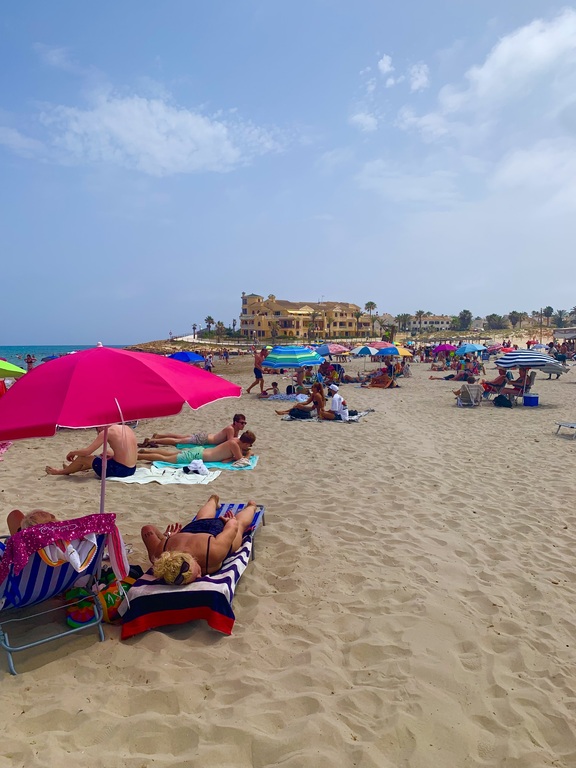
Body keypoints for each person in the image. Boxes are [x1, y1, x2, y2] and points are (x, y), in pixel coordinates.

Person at [141, 494, 258, 583]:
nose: (199, 576)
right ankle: (213, 500)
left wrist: (230, 522)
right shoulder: (161, 552)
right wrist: (166, 537)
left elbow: (233, 528)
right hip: (190, 534)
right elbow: (147, 529)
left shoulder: (213, 551)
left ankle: (252, 506)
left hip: (213, 536)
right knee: (202, 518)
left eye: (195, 573)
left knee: (240, 524)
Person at [45, 424, 138, 478]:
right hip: (132, 469)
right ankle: (73, 468)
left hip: (120, 471)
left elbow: (87, 452)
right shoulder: (125, 427)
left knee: (81, 458)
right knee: (106, 454)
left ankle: (61, 472)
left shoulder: (106, 432)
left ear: (99, 427)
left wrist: (72, 452)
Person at [137, 431, 256, 465]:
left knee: (169, 455)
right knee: (166, 459)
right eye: (249, 445)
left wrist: (230, 458)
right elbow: (242, 460)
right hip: (198, 455)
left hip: (200, 451)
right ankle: (138, 456)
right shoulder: (235, 445)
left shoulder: (234, 441)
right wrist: (248, 454)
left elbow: (232, 457)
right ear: (245, 443)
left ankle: (145, 451)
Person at [141, 414, 247, 447]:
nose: (243, 425)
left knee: (181, 436)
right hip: (203, 439)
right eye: (242, 423)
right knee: (177, 441)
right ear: (235, 422)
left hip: (204, 437)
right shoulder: (230, 429)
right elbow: (230, 442)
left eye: (244, 423)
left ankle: (158, 435)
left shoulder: (235, 429)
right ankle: (153, 441)